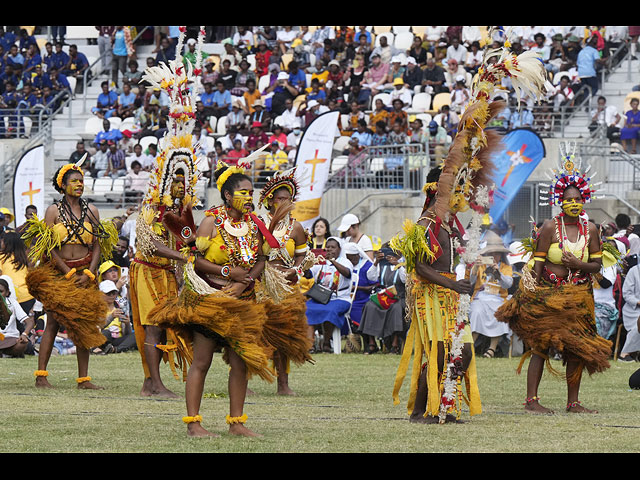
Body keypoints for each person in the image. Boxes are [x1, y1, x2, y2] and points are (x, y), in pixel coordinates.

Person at [148, 160, 274, 438]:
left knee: (241, 362)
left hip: (243, 301)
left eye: (251, 193)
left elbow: (262, 259)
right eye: (243, 192)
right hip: (211, 301)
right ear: (228, 195)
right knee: (202, 362)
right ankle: (194, 423)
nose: (249, 198)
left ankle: (237, 423)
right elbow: (196, 262)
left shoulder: (256, 224)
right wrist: (227, 272)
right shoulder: (211, 222)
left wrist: (245, 283)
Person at [496, 145, 615, 414]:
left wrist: (579, 264)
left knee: (577, 349)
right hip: (550, 295)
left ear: (584, 199)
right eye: (569, 199)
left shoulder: (592, 229)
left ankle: (573, 403)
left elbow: (596, 265)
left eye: (578, 199)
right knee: (541, 346)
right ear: (560, 201)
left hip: (581, 296)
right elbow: (538, 263)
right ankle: (531, 401)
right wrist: (531, 293)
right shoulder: (550, 227)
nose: (574, 203)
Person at [129, 47, 203, 399]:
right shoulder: (150, 208)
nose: (179, 185)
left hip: (171, 273)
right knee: (153, 327)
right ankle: (152, 383)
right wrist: (182, 260)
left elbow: (189, 240)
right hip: (148, 271)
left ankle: (155, 382)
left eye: (183, 179)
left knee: (171, 325)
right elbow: (148, 244)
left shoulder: (184, 211)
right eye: (174, 180)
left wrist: (194, 255)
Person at [390, 165, 481, 424]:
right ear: (438, 190)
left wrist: (466, 278)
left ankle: (444, 409)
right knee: (438, 353)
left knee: (462, 351)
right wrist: (454, 286)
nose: (460, 194)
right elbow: (420, 267)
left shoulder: (450, 224)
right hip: (429, 294)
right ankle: (419, 412)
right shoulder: (427, 222)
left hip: (449, 293)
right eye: (455, 188)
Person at [22, 160, 119, 389]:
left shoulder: (91, 210)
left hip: (86, 273)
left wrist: (90, 272)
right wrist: (67, 272)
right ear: (62, 184)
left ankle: (83, 380)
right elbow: (50, 247)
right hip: (59, 274)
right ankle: (41, 376)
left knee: (83, 323)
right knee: (53, 323)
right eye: (74, 181)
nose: (79, 184)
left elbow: (97, 245)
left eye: (81, 181)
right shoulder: (53, 211)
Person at [257, 169, 317, 395]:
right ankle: (243, 378)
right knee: (255, 332)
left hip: (287, 288)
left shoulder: (296, 228)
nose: (284, 203)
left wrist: (295, 270)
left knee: (284, 334)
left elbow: (302, 255)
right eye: (280, 198)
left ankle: (283, 383)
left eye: (288, 199)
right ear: (270, 200)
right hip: (261, 285)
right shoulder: (257, 224)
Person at [469, 231, 513, 358]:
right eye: (491, 253)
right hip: (481, 298)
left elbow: (508, 284)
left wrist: (498, 273)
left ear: (502, 254)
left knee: (500, 313)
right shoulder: (480, 265)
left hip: (498, 298)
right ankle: (470, 346)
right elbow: (471, 282)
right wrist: (475, 268)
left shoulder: (505, 267)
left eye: (497, 253)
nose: (494, 256)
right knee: (476, 311)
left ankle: (491, 349)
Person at [305, 237, 353, 353]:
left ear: (339, 249)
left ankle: (327, 343)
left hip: (340, 298)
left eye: (333, 247)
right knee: (307, 308)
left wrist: (333, 261)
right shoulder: (321, 261)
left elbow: (347, 273)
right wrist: (306, 264)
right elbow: (308, 275)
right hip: (321, 298)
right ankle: (310, 345)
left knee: (330, 310)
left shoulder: (345, 261)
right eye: (328, 247)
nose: (330, 249)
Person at [357, 246, 407, 354]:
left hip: (399, 297)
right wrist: (376, 263)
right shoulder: (381, 265)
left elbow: (405, 279)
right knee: (370, 306)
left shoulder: (404, 264)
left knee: (396, 308)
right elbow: (371, 277)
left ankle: (395, 344)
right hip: (384, 297)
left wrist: (397, 265)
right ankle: (371, 343)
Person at [0, 277, 34, 357]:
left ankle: (5, 353)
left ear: (7, 292)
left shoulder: (13, 303)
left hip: (11, 338)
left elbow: (29, 322)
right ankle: (6, 353)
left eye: (1, 291)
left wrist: (24, 334)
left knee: (22, 344)